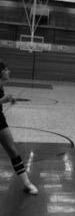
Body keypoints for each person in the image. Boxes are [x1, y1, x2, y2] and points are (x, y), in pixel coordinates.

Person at [0, 60, 38, 194]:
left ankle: (27, 183)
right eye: (6, 69)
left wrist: (7, 99)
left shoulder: (1, 86)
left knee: (12, 150)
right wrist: (2, 101)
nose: (9, 71)